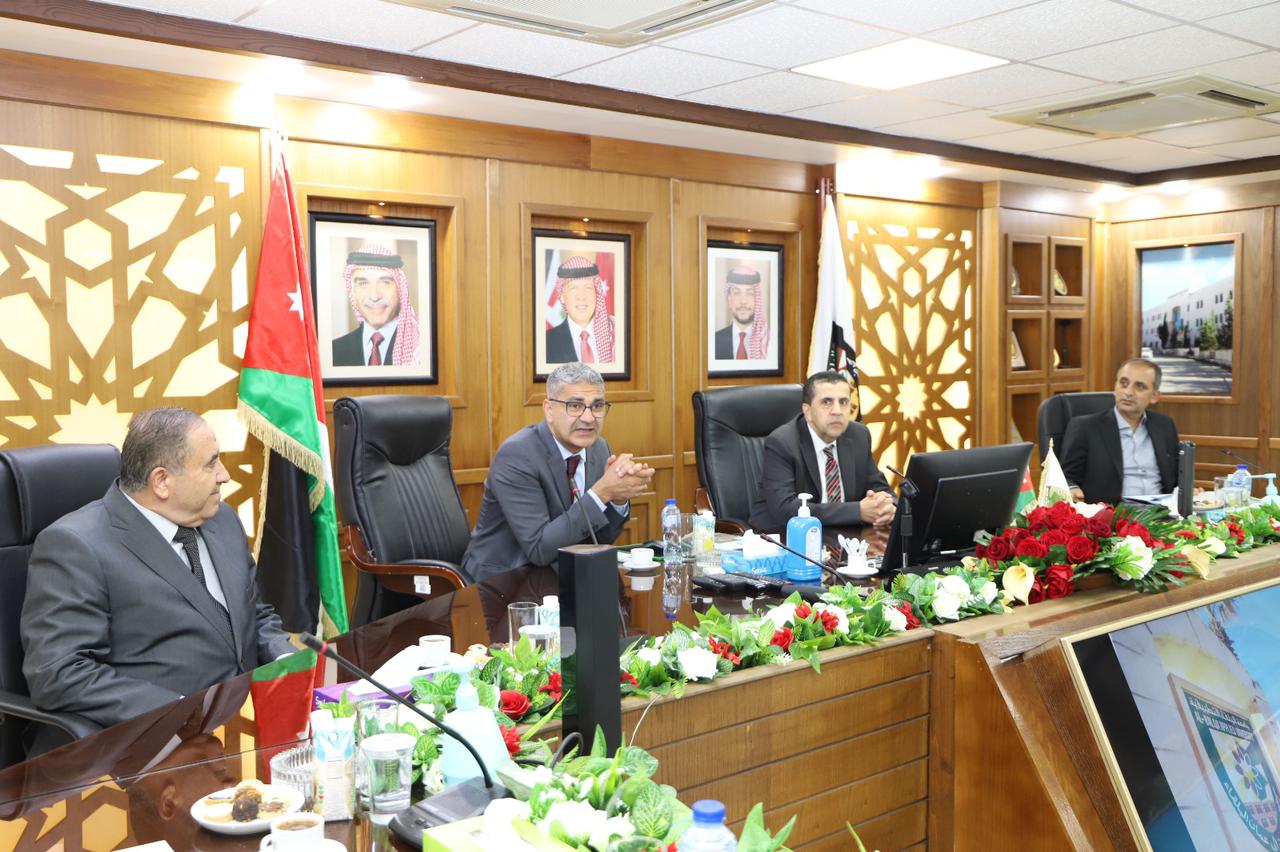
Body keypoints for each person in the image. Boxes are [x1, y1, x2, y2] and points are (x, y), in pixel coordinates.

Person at [21, 408, 297, 730]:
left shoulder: (223, 520)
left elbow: (253, 614)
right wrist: (176, 712)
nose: (224, 475)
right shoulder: (75, 546)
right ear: (162, 481)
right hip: (149, 741)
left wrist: (285, 659)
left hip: (243, 723)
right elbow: (58, 673)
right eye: (211, 464)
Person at [462, 362, 653, 584]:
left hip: (564, 577)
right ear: (549, 410)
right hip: (504, 582)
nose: (588, 418)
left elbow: (598, 537)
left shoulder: (599, 448)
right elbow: (539, 548)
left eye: (597, 406)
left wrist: (617, 499)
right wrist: (602, 493)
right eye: (575, 406)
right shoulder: (517, 455)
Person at [750, 371, 895, 531]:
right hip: (787, 536)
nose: (837, 411)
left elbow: (880, 488)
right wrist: (857, 511)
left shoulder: (858, 435)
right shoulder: (782, 443)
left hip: (844, 534)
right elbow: (785, 509)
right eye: (827, 402)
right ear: (808, 411)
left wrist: (887, 507)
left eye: (843, 402)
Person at [1061, 357, 1179, 505]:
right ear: (1115, 387)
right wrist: (1072, 488)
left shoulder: (1164, 425)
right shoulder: (1085, 427)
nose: (1128, 392)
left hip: (1161, 512)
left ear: (1154, 396)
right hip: (1113, 514)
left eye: (1139, 387)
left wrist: (1188, 490)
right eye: (1123, 384)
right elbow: (1064, 478)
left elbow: (1176, 477)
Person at [331, 243, 421, 367]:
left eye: (385, 282)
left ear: (400, 289)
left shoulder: (419, 350)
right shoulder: (334, 351)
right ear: (352, 291)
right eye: (363, 283)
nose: (374, 296)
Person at [545, 256, 615, 365]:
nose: (581, 296)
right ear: (562, 296)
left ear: (596, 293)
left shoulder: (615, 335)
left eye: (588, 288)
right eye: (573, 288)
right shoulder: (546, 343)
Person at [714, 265, 770, 361]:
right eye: (737, 293)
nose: (743, 301)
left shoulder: (769, 342)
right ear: (729, 299)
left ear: (757, 300)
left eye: (749, 293)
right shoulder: (714, 341)